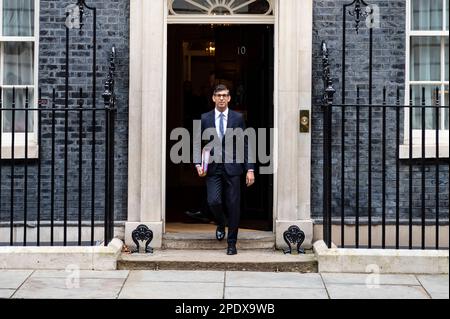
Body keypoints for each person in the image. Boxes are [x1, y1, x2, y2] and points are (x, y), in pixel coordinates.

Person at [194, 84, 255, 255]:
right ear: (213, 98)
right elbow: (197, 143)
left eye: (225, 95)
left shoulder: (238, 118)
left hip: (233, 167)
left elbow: (245, 144)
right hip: (213, 167)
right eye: (218, 95)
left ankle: (231, 243)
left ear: (229, 98)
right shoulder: (205, 118)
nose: (221, 98)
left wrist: (250, 169)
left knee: (234, 205)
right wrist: (198, 164)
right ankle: (221, 222)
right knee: (213, 201)